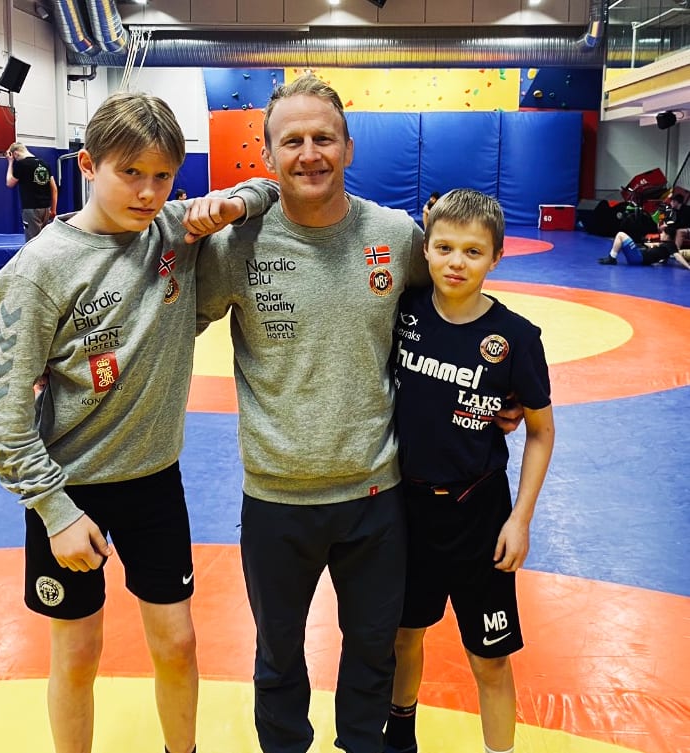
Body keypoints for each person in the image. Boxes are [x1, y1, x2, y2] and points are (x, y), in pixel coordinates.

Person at [196, 75, 520, 753]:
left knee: (373, 650)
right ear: (267, 154)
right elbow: (169, 324)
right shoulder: (237, 245)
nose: (309, 153)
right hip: (276, 497)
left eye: (323, 137)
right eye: (292, 141)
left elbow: (450, 314)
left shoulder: (394, 236)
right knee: (278, 655)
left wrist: (495, 387)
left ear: (348, 146)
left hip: (376, 495)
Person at [0, 92, 278, 753]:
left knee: (178, 642)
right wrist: (55, 511)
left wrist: (231, 204)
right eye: (130, 173)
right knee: (77, 651)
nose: (147, 192)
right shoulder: (38, 271)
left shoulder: (173, 231)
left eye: (163, 176)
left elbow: (269, 190)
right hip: (69, 488)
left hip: (153, 481)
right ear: (88, 165)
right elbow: (3, 420)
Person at [384, 188, 555, 753]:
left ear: (496, 257)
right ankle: (399, 738)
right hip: (405, 510)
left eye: (473, 251)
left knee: (490, 659)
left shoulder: (517, 339)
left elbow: (540, 431)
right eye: (445, 248)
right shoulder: (402, 312)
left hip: (479, 515)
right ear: (425, 250)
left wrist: (520, 520)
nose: (457, 262)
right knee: (404, 637)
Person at [5, 141, 59, 241]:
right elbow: (54, 188)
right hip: (46, 208)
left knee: (32, 241)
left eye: (14, 157)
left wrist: (10, 162)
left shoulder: (22, 165)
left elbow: (9, 183)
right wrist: (53, 209)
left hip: (31, 209)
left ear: (15, 153)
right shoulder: (44, 164)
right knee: (43, 239)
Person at [597, 222, 690, 269]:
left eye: (663, 233)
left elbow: (678, 256)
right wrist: (661, 261)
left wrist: (688, 267)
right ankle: (611, 257)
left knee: (620, 234)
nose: (661, 234)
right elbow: (663, 253)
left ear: (668, 236)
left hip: (638, 258)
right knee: (622, 239)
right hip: (638, 257)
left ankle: (612, 258)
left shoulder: (671, 245)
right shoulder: (666, 245)